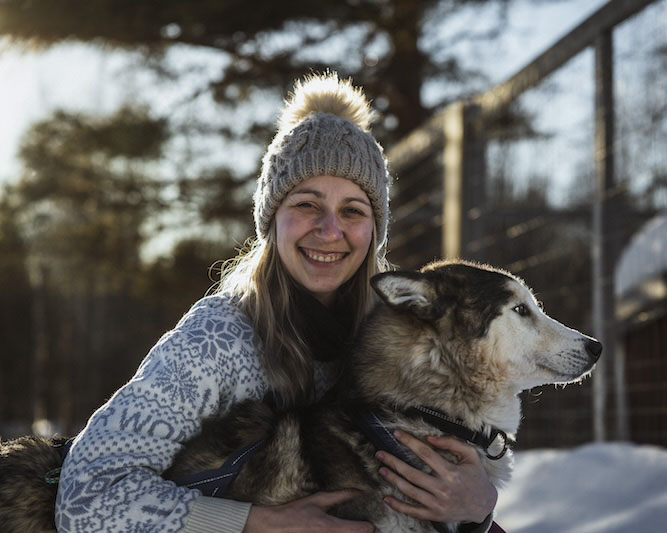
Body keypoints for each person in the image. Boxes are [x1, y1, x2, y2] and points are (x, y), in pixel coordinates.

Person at [55, 72, 498, 533]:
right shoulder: (218, 339)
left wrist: (479, 511)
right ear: (272, 220)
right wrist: (255, 522)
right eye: (307, 204)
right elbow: (86, 497)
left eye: (353, 210)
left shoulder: (406, 339)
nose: (330, 230)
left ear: (374, 230)